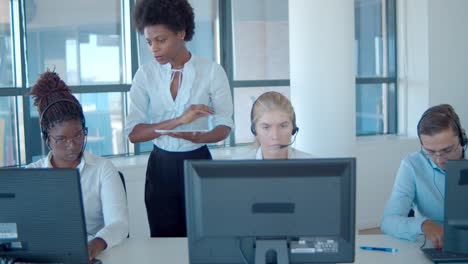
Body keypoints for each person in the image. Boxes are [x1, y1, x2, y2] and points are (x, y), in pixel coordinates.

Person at [125, 0, 234, 237]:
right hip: (160, 167)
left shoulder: (211, 71)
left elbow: (225, 124)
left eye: (161, 40)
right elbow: (134, 134)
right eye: (149, 42)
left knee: (204, 237)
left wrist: (199, 136)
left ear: (181, 33)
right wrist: (179, 121)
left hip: (198, 164)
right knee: (163, 240)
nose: (154, 48)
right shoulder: (145, 74)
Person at [27, 71, 129, 260]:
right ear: (47, 140)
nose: (72, 145)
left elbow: (119, 224)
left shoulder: (103, 169)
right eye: (61, 139)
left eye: (78, 135)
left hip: (92, 253)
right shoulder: (31, 175)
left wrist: (96, 244)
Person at [381, 104, 467, 248]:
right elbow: (388, 221)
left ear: (462, 138)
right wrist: (422, 224)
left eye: (447, 150)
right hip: (436, 246)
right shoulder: (412, 165)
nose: (439, 159)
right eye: (430, 151)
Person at [249, 91, 311, 159]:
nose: (275, 136)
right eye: (266, 127)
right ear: (254, 130)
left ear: (293, 129)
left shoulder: (314, 166)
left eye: (283, 126)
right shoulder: (240, 167)